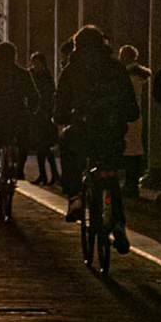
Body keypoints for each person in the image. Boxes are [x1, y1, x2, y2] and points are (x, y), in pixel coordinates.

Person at [54, 25, 141, 252]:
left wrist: (60, 117)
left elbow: (60, 108)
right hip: (111, 134)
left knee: (67, 142)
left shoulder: (72, 70)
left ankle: (75, 196)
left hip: (82, 133)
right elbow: (133, 109)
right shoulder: (116, 68)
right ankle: (119, 223)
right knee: (111, 175)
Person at [0, 42, 42, 203]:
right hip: (17, 119)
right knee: (23, 142)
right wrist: (31, 111)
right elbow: (34, 96)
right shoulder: (22, 74)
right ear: (14, 56)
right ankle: (19, 169)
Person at [118, 45, 151, 197]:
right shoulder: (138, 74)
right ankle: (132, 182)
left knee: (130, 147)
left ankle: (131, 183)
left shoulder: (130, 75)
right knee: (134, 147)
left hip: (128, 114)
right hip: (135, 114)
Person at [26, 50, 60, 186]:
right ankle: (49, 174)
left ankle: (47, 174)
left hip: (43, 115)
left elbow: (50, 94)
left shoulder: (43, 76)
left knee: (43, 146)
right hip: (38, 114)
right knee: (42, 147)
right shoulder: (37, 75)